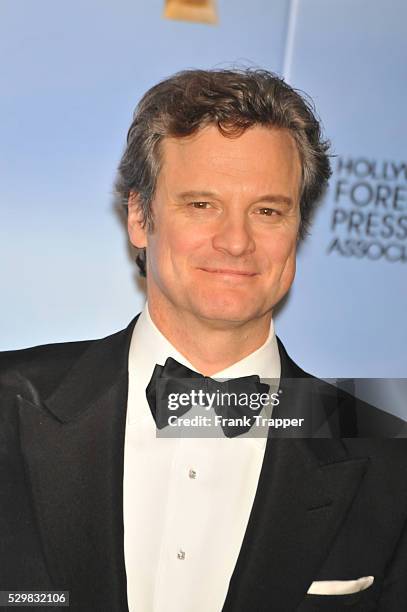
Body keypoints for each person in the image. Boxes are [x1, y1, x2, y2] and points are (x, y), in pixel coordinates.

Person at [1, 68, 406, 612]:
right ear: (140, 218)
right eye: (201, 205)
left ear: (298, 230)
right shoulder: (9, 406)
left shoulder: (385, 455)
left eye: (267, 211)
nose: (236, 242)